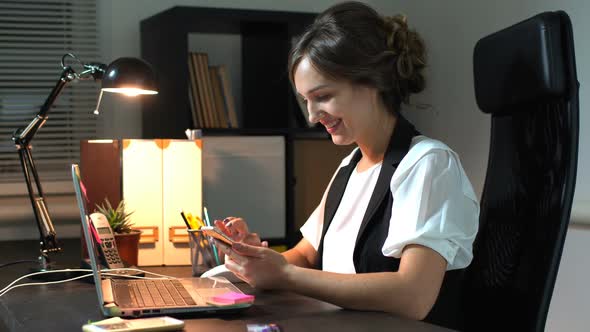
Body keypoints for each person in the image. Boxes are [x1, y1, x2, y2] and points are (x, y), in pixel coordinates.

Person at [213, 1, 479, 328]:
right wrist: (257, 259)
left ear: (373, 82)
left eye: (322, 96)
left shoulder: (428, 164)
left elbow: (413, 297)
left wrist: (284, 274)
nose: (311, 116)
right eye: (305, 101)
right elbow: (305, 256)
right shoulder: (349, 167)